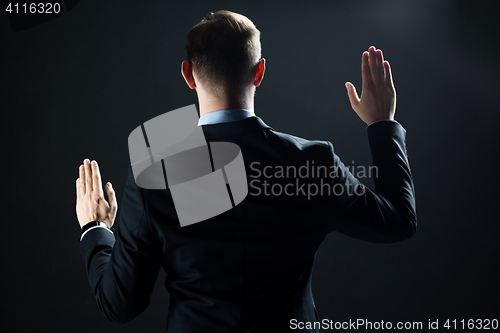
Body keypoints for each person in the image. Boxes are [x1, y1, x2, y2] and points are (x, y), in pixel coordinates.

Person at [76, 10, 416, 332]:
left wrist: (96, 229)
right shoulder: (313, 163)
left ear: (188, 74)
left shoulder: (152, 175)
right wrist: (382, 124)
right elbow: (398, 220)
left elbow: (120, 305)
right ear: (259, 71)